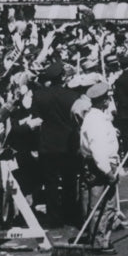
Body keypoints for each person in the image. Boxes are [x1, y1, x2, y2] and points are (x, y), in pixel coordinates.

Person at [30, 62, 83, 227]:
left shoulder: (38, 96)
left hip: (47, 143)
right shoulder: (72, 95)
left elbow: (37, 120)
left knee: (51, 182)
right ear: (62, 77)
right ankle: (70, 214)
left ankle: (54, 218)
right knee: (69, 180)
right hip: (68, 143)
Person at [78, 82, 120, 254]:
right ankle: (99, 240)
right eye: (107, 98)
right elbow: (98, 149)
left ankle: (97, 237)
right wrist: (108, 172)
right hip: (100, 166)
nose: (109, 101)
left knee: (97, 204)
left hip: (97, 164)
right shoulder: (95, 120)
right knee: (102, 205)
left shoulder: (96, 117)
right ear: (102, 101)